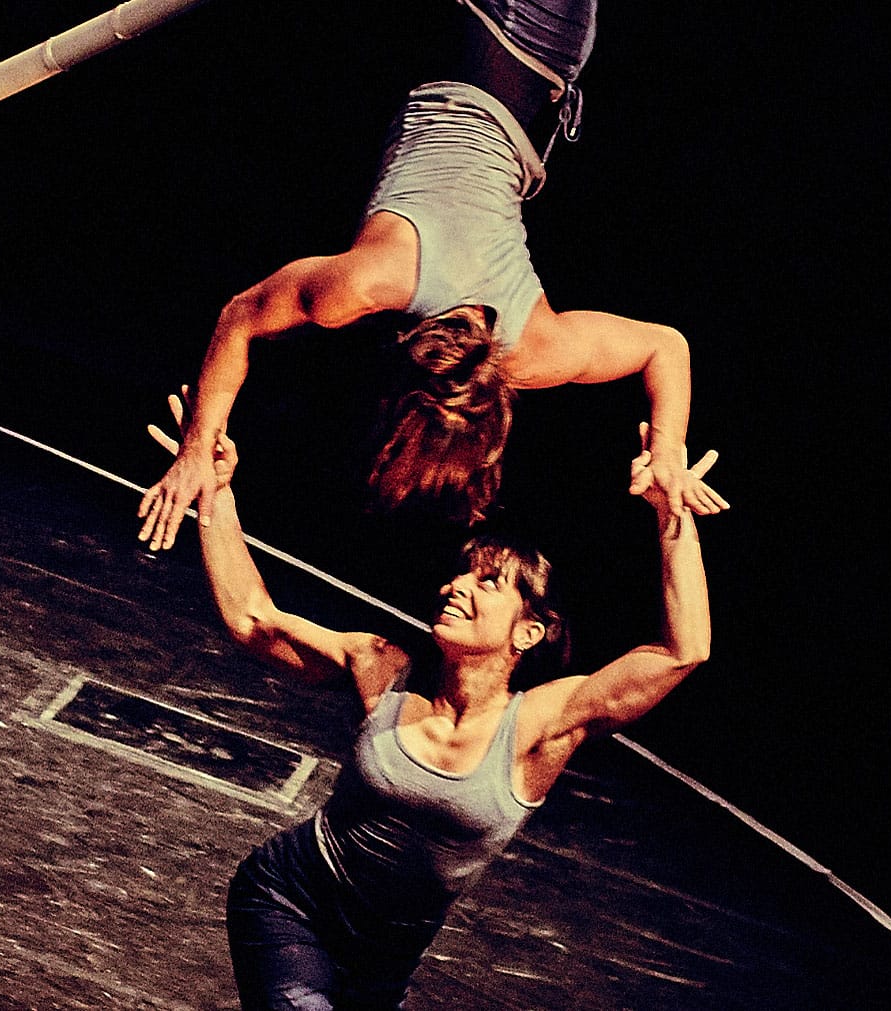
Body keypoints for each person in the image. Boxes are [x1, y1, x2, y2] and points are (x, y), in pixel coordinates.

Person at [146, 387, 723, 1010]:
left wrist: (673, 516)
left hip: (384, 962)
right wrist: (217, 493)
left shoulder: (541, 727)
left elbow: (682, 652)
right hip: (289, 903)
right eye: (461, 573)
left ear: (527, 632)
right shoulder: (384, 670)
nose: (456, 586)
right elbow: (253, 618)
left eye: (487, 583)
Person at [138, 0, 719, 551]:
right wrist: (194, 449)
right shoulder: (367, 287)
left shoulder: (534, 349)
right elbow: (240, 316)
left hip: (524, 56)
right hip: (511, 35)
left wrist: (668, 448)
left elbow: (665, 347)